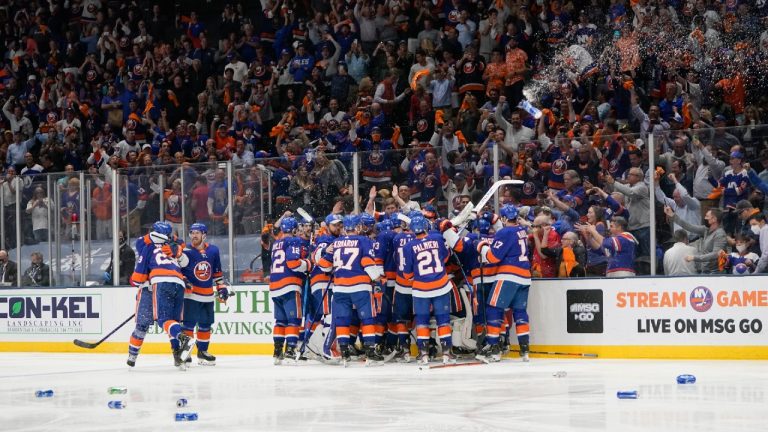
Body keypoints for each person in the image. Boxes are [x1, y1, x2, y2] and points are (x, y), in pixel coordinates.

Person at [317, 215, 384, 366]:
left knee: (342, 320)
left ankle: (344, 353)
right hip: (360, 286)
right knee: (367, 319)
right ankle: (370, 353)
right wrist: (376, 276)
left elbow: (323, 265)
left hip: (340, 288)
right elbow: (367, 262)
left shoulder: (336, 242)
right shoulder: (363, 240)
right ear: (358, 227)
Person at [128, 222, 192, 369]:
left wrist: (136, 281)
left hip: (157, 285)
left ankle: (177, 353)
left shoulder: (152, 246)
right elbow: (183, 262)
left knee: (158, 322)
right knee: (165, 322)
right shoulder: (167, 245)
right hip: (158, 288)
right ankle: (133, 356)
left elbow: (138, 276)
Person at [475, 205, 532, 363]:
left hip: (509, 275)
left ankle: (494, 349)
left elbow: (493, 258)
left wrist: (482, 247)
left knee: (493, 308)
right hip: (525, 276)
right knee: (520, 312)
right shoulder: (522, 230)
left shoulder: (505, 232)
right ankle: (525, 350)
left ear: (505, 218)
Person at [401, 215, 456, 365]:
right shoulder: (437, 238)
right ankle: (446, 353)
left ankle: (423, 354)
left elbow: (407, 275)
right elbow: (445, 258)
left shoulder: (408, 246)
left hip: (421, 289)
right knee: (443, 320)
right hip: (441, 286)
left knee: (422, 321)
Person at [179, 223, 228, 366]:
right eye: (192, 232)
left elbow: (217, 272)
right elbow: (178, 270)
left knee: (206, 324)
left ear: (204, 235)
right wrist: (184, 280)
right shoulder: (185, 250)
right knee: (188, 325)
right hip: (191, 295)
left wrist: (221, 287)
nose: (194, 235)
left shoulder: (213, 250)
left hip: (207, 295)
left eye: (197, 233)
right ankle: (185, 353)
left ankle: (202, 352)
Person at [269, 217, 310, 364]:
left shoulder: (276, 243)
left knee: (280, 321)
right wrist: (307, 264)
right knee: (294, 320)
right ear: (293, 230)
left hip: (274, 287)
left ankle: (277, 352)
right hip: (289, 285)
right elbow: (293, 263)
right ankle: (291, 350)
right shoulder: (294, 241)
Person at [664, 206, 727, 274]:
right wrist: (673, 215)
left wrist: (694, 258)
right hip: (705, 272)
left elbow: (716, 254)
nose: (704, 218)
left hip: (716, 274)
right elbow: (689, 226)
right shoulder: (706, 230)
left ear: (714, 219)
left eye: (707, 216)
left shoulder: (720, 234)